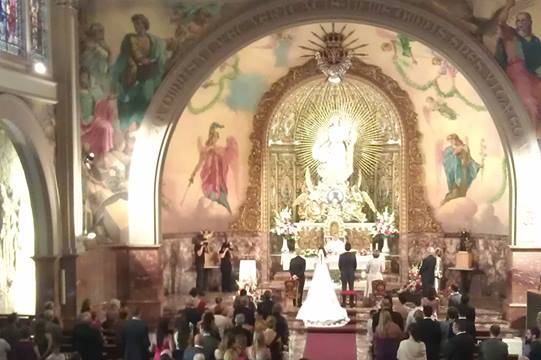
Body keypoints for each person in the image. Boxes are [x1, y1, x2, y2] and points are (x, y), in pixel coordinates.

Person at [111, 13, 166, 129]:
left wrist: (150, 62)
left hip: (148, 73)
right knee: (129, 98)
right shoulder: (131, 39)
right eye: (135, 24)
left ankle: (144, 124)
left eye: (138, 24)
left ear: (144, 24)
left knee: (147, 98)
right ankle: (130, 125)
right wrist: (133, 64)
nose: (136, 26)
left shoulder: (153, 40)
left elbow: (158, 56)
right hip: (134, 73)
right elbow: (126, 56)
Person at [496, 1, 541, 138]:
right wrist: (508, 6)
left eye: (523, 20)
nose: (520, 23)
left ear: (530, 22)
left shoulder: (535, 41)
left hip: (533, 75)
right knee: (529, 101)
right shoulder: (512, 35)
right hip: (516, 73)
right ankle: (531, 138)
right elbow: (501, 22)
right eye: (518, 20)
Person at [296, 246, 349, 327]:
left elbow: (315, 270)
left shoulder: (316, 261)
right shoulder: (326, 260)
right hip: (325, 278)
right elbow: (328, 270)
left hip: (317, 279)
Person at [441, 134, 481, 204]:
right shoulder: (449, 150)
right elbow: (445, 160)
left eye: (452, 140)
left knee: (462, 191)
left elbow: (469, 159)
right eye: (450, 141)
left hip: (464, 171)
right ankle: (445, 202)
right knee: (455, 191)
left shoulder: (465, 147)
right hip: (455, 173)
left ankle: (459, 207)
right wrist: (454, 154)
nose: (451, 142)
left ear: (456, 139)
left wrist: (477, 165)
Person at [338, 242, 357, 307]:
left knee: (344, 288)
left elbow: (339, 265)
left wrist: (342, 271)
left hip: (344, 273)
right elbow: (355, 265)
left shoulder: (341, 256)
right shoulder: (353, 255)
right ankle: (351, 302)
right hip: (351, 273)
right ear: (350, 248)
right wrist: (352, 271)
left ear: (345, 248)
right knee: (351, 288)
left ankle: (343, 302)